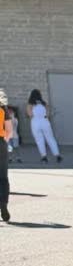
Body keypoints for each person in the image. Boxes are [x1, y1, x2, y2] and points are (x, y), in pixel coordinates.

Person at [27, 88, 62, 163]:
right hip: (45, 121)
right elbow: (48, 114)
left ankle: (44, 157)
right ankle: (57, 155)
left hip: (35, 122)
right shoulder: (44, 103)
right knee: (50, 138)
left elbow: (30, 114)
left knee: (39, 140)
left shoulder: (30, 104)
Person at [0, 92, 11, 222]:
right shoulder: (2, 107)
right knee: (2, 177)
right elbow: (9, 130)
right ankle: (3, 204)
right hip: (0, 143)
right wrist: (4, 143)